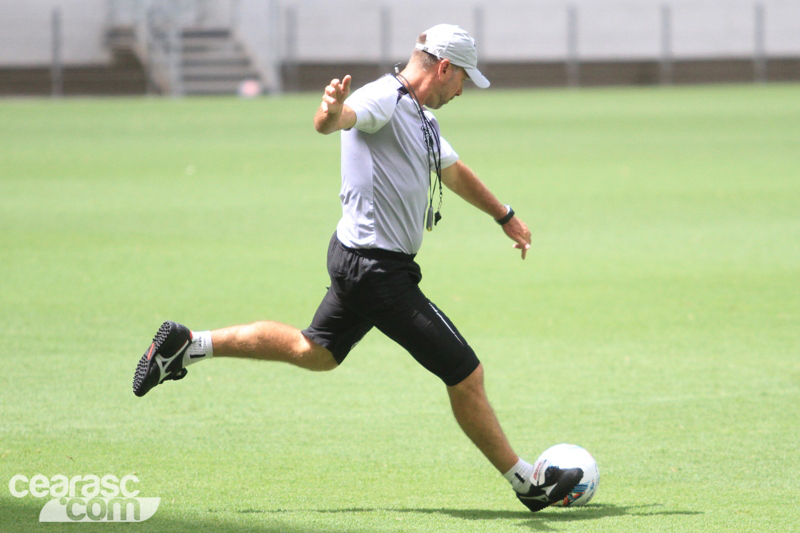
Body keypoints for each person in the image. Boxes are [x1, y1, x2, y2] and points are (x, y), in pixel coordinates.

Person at [132, 24, 582, 512]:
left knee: (316, 351)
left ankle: (187, 345)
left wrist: (505, 216)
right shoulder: (383, 98)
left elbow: (452, 172)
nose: (462, 90)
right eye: (463, 80)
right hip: (376, 271)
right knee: (465, 374)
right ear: (445, 67)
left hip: (359, 259)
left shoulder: (421, 117)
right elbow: (341, 118)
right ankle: (526, 483)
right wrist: (329, 111)